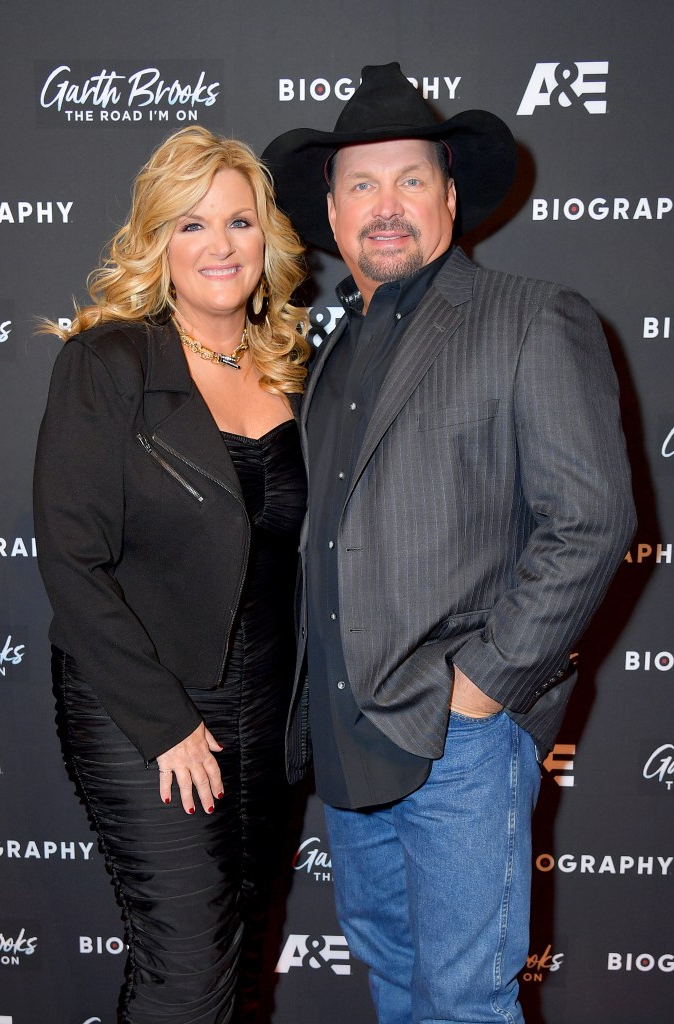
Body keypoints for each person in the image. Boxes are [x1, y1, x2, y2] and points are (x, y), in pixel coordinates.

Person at [263, 63, 636, 1024]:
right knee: (396, 984)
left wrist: (480, 692)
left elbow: (592, 519)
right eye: (361, 185)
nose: (385, 207)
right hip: (348, 744)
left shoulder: (530, 317)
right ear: (333, 215)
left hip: (455, 740)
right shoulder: (328, 344)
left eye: (411, 181)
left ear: (451, 198)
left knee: (464, 1003)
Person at [33, 125, 309, 1024]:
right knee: (186, 975)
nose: (219, 246)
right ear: (157, 241)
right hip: (143, 712)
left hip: (265, 716)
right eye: (191, 225)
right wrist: (166, 725)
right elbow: (73, 560)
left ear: (267, 239)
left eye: (238, 221)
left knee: (239, 964)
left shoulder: (294, 374)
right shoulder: (108, 364)